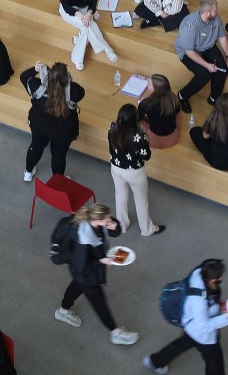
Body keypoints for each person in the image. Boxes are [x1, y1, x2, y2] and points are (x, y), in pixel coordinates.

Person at [53, 203, 138, 346]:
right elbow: (82, 266)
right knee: (100, 303)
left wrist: (114, 226)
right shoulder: (83, 239)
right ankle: (115, 333)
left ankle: (62, 310)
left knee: (76, 286)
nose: (109, 221)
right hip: (86, 274)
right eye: (107, 220)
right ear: (98, 221)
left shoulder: (95, 222)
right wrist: (101, 261)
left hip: (82, 272)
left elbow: (113, 232)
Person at [143, 258, 228, 375]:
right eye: (220, 277)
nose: (222, 279)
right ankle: (155, 361)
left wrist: (221, 306)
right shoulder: (199, 301)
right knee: (215, 362)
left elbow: (209, 304)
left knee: (181, 344)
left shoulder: (199, 275)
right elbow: (204, 326)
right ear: (212, 280)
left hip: (190, 325)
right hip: (203, 335)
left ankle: (155, 362)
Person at [20, 60, 84, 181]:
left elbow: (24, 77)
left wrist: (35, 69)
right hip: (63, 131)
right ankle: (57, 181)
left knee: (36, 146)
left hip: (40, 125)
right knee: (58, 155)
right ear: (66, 78)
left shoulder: (37, 86)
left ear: (48, 76)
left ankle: (28, 173)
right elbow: (82, 92)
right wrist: (68, 82)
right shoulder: (73, 91)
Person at [109, 104, 165, 236]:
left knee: (120, 196)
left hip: (115, 168)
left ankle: (122, 225)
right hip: (134, 172)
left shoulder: (112, 128)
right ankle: (146, 229)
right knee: (141, 201)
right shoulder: (140, 136)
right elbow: (147, 155)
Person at [173, 0, 228, 112]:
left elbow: (222, 37)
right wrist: (207, 65)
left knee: (223, 70)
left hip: (207, 45)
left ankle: (213, 99)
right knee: (205, 75)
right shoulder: (190, 26)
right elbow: (189, 52)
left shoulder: (216, 19)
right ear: (207, 13)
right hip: (189, 52)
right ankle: (182, 96)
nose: (217, 12)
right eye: (215, 11)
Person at [59, 0, 118, 71]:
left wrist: (89, 13)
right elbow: (66, 6)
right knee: (87, 24)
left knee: (86, 27)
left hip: (85, 9)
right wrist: (81, 15)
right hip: (69, 11)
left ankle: (77, 58)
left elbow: (93, 0)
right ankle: (107, 49)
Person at [138, 74, 182, 149]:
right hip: (173, 137)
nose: (147, 85)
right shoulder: (174, 98)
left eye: (149, 84)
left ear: (156, 89)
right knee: (178, 114)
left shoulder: (146, 103)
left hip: (154, 140)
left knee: (137, 122)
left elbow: (137, 117)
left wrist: (140, 104)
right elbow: (177, 110)